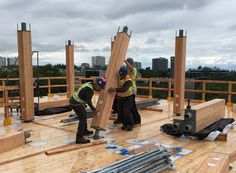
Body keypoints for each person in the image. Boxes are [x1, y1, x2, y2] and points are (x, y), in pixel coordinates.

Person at [69, 77, 106, 144]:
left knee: (84, 115)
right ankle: (79, 138)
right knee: (82, 118)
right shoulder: (90, 90)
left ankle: (84, 131)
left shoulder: (89, 84)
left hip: (76, 101)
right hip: (75, 103)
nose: (100, 89)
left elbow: (84, 96)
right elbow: (89, 101)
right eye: (100, 87)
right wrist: (94, 109)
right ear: (96, 85)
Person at [108, 66, 134, 131]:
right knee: (120, 112)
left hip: (128, 98)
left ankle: (130, 125)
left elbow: (124, 89)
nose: (122, 76)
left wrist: (114, 89)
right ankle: (124, 124)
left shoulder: (129, 80)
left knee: (127, 112)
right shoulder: (119, 77)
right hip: (120, 98)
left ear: (126, 74)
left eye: (123, 75)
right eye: (121, 75)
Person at [125, 58, 141, 125]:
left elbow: (130, 68)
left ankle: (136, 120)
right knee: (131, 106)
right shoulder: (126, 70)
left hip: (132, 89)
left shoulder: (133, 69)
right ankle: (135, 120)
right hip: (128, 89)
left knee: (132, 106)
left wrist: (124, 60)